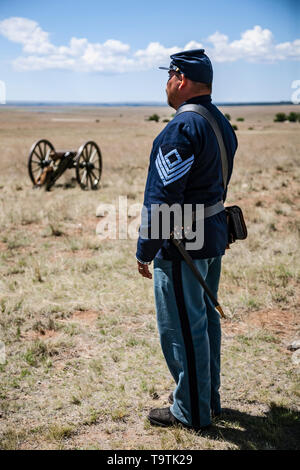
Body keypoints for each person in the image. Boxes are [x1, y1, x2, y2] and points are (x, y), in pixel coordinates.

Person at [136, 49, 238, 431]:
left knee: (182, 327)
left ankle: (191, 412)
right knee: (204, 321)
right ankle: (207, 398)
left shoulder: (182, 128)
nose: (165, 83)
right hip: (211, 240)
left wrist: (145, 250)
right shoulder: (219, 122)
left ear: (180, 79)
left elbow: (163, 200)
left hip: (182, 246)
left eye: (168, 76)